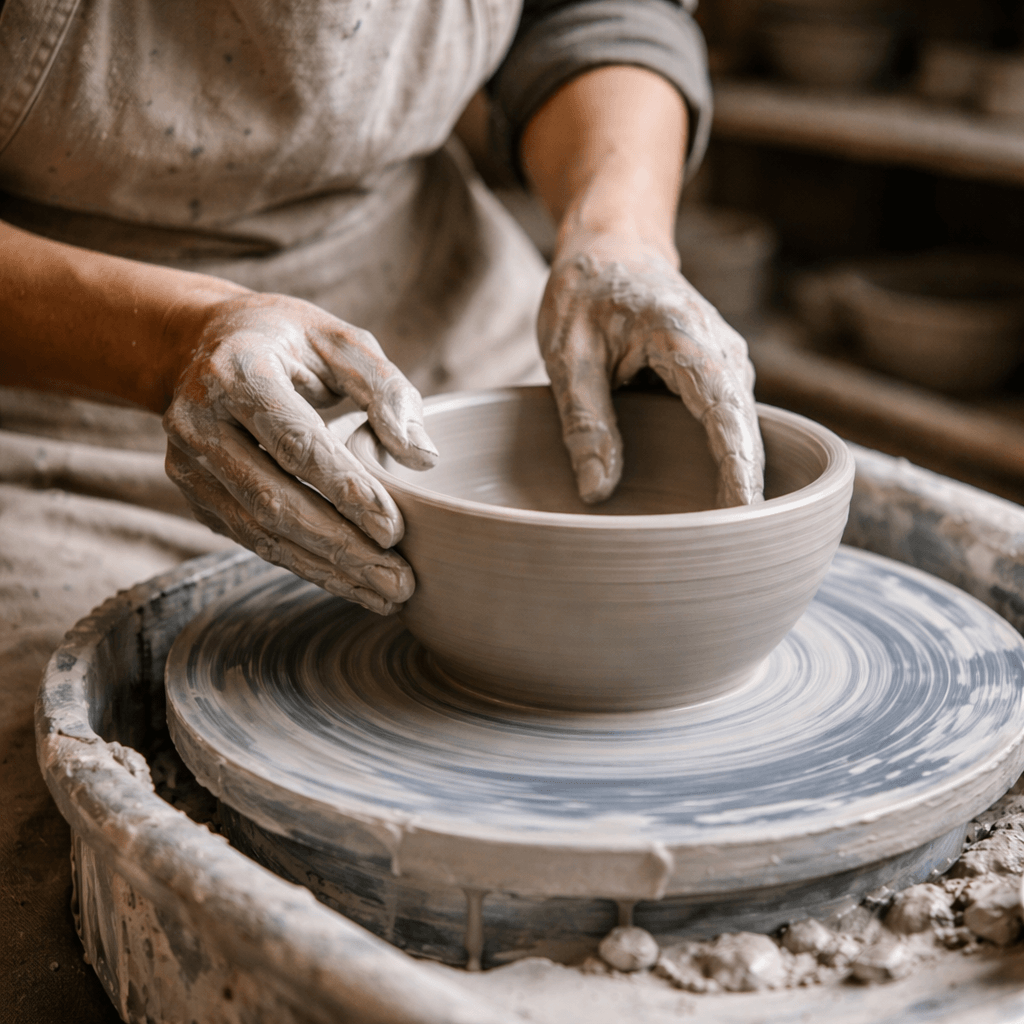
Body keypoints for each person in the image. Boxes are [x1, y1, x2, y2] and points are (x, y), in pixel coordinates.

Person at [1, 0, 764, 615]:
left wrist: (618, 233)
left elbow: (583, 13)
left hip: (429, 277)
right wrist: (177, 342)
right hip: (67, 372)